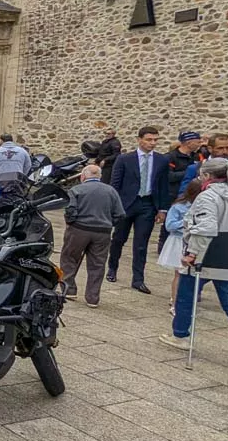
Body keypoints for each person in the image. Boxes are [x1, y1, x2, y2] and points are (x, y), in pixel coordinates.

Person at [160, 159, 228, 368]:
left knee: (185, 296)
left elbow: (205, 228)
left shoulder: (208, 196)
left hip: (208, 255)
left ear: (207, 176)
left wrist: (191, 253)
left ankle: (180, 335)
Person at [107, 126, 171, 293]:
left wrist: (163, 209)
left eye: (155, 140)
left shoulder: (161, 160)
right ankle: (112, 268)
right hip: (126, 204)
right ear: (139, 139)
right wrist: (114, 206)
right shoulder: (125, 159)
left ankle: (138, 278)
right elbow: (115, 183)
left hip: (147, 204)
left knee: (141, 243)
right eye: (149, 139)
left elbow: (164, 185)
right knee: (119, 239)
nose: (152, 143)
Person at [60, 165, 125, 308]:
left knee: (69, 258)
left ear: (83, 176)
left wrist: (72, 222)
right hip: (102, 231)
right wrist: (108, 223)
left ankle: (69, 289)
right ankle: (92, 297)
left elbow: (70, 210)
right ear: (100, 176)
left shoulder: (76, 190)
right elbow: (120, 214)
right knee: (97, 264)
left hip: (79, 229)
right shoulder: (111, 191)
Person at [158, 179, 203, 316]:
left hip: (196, 241)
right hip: (179, 240)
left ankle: (186, 300)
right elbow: (169, 225)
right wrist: (187, 222)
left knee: (194, 274)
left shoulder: (204, 206)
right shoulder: (179, 206)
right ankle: (175, 302)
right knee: (180, 273)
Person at [159, 131, 203, 251]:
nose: (200, 144)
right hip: (174, 193)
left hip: (193, 194)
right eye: (198, 141)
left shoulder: (197, 156)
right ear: (188, 142)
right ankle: (163, 247)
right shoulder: (170, 157)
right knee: (170, 221)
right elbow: (168, 176)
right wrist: (189, 172)